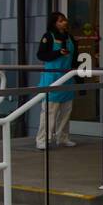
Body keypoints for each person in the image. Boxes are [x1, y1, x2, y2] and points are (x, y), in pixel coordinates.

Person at [36, 11, 80, 149]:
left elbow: (75, 57)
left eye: (64, 20)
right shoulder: (48, 36)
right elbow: (41, 55)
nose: (64, 22)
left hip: (67, 77)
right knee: (49, 111)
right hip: (52, 77)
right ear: (54, 23)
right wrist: (57, 53)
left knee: (66, 110)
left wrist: (78, 75)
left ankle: (63, 137)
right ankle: (43, 139)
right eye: (60, 21)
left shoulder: (70, 37)